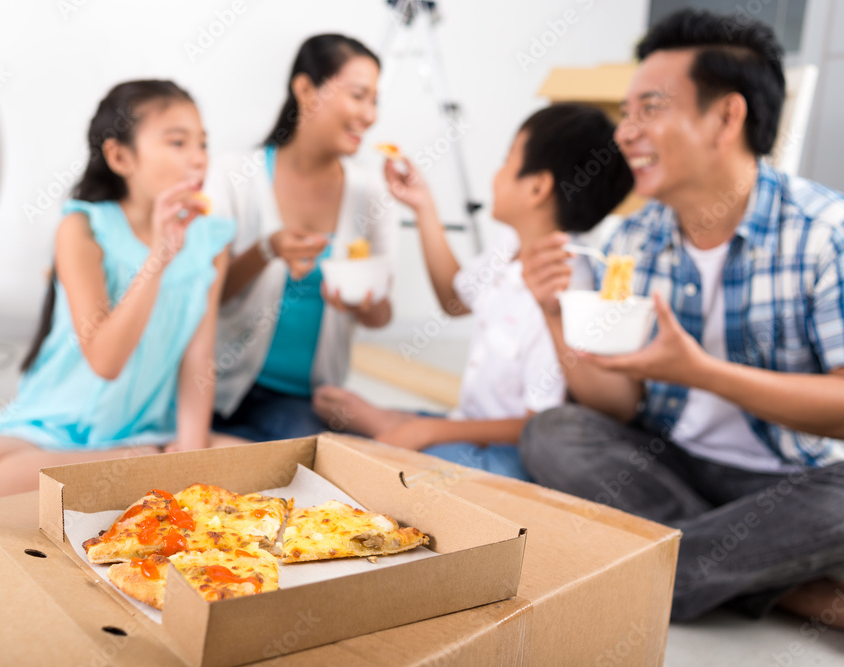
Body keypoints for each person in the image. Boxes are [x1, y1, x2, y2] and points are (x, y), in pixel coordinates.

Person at [519, 9, 844, 626]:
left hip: (785, 482)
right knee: (554, 432)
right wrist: (553, 313)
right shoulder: (631, 239)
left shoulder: (825, 232)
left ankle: (658, 571)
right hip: (666, 466)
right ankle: (776, 583)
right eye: (625, 112)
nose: (625, 133)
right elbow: (613, 405)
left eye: (649, 109)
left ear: (726, 116)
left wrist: (702, 372)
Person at [0, 80, 236, 504]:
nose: (198, 158)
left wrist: (192, 451)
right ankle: (133, 468)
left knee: (270, 461)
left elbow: (198, 356)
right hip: (55, 430)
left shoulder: (213, 239)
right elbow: (105, 360)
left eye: (202, 143)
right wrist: (161, 254)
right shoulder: (81, 229)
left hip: (152, 431)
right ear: (119, 156)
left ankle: (139, 470)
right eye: (178, 142)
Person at [314, 104, 633, 479]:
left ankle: (396, 427)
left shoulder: (561, 289)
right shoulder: (511, 242)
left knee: (379, 468)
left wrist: (423, 429)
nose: (496, 174)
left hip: (510, 457)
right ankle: (395, 424)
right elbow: (455, 300)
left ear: (537, 187)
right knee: (335, 414)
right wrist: (424, 207)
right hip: (467, 424)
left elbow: (536, 425)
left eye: (506, 161)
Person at [206, 34, 403, 442]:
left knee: (306, 458)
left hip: (302, 403)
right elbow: (209, 292)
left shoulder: (372, 195)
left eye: (375, 100)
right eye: (357, 95)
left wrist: (363, 302)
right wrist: (267, 249)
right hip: (215, 387)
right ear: (305, 89)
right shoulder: (233, 176)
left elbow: (381, 315)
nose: (369, 115)